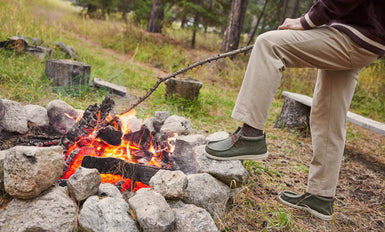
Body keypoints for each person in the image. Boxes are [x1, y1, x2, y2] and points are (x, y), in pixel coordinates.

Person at [205, 0, 385, 220]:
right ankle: (320, 196)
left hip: (355, 33)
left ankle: (250, 136)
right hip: (367, 36)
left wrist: (306, 20)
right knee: (329, 112)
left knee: (268, 44)